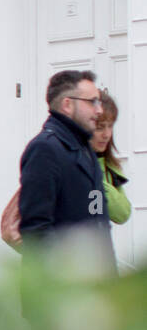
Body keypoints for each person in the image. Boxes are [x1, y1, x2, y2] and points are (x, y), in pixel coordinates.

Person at [17, 70, 116, 290]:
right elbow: (37, 231)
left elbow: (97, 219)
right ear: (67, 105)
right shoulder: (45, 149)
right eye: (92, 102)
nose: (99, 110)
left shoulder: (85, 150)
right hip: (61, 297)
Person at [90, 87, 130, 227]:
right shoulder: (67, 160)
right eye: (100, 127)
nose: (107, 134)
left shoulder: (108, 164)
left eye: (110, 126)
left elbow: (123, 213)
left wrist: (96, 179)